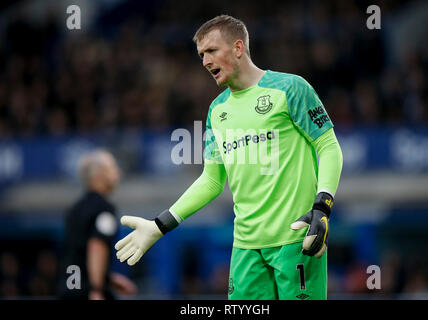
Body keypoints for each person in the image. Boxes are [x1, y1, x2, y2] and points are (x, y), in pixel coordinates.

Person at [115, 15, 343, 300]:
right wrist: (160, 225)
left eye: (211, 51)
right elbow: (211, 180)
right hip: (245, 248)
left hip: (296, 240)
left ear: (238, 48)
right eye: (201, 55)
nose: (205, 61)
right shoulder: (216, 110)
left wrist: (322, 208)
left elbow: (328, 147)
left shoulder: (291, 88)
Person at [59, 149, 137, 300]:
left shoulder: (74, 209)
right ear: (99, 175)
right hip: (87, 292)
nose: (118, 173)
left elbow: (77, 255)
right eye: (113, 168)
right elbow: (96, 245)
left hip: (69, 288)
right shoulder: (104, 209)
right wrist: (97, 289)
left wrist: (108, 278)